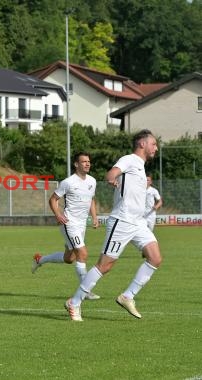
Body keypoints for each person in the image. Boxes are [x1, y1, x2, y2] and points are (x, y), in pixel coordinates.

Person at [65, 129, 162, 322]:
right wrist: (111, 178)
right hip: (122, 221)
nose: (156, 148)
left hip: (138, 222)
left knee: (155, 258)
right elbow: (113, 173)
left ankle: (127, 296)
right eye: (153, 144)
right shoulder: (130, 159)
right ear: (142, 144)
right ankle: (74, 302)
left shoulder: (141, 166)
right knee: (105, 265)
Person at [32, 152, 100, 299]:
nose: (87, 164)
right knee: (83, 254)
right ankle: (85, 291)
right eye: (84, 162)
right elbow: (53, 200)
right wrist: (58, 215)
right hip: (69, 223)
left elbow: (91, 200)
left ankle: (40, 259)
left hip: (81, 224)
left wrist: (94, 217)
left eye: (89, 161)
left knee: (70, 259)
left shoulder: (92, 181)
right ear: (76, 164)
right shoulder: (68, 182)